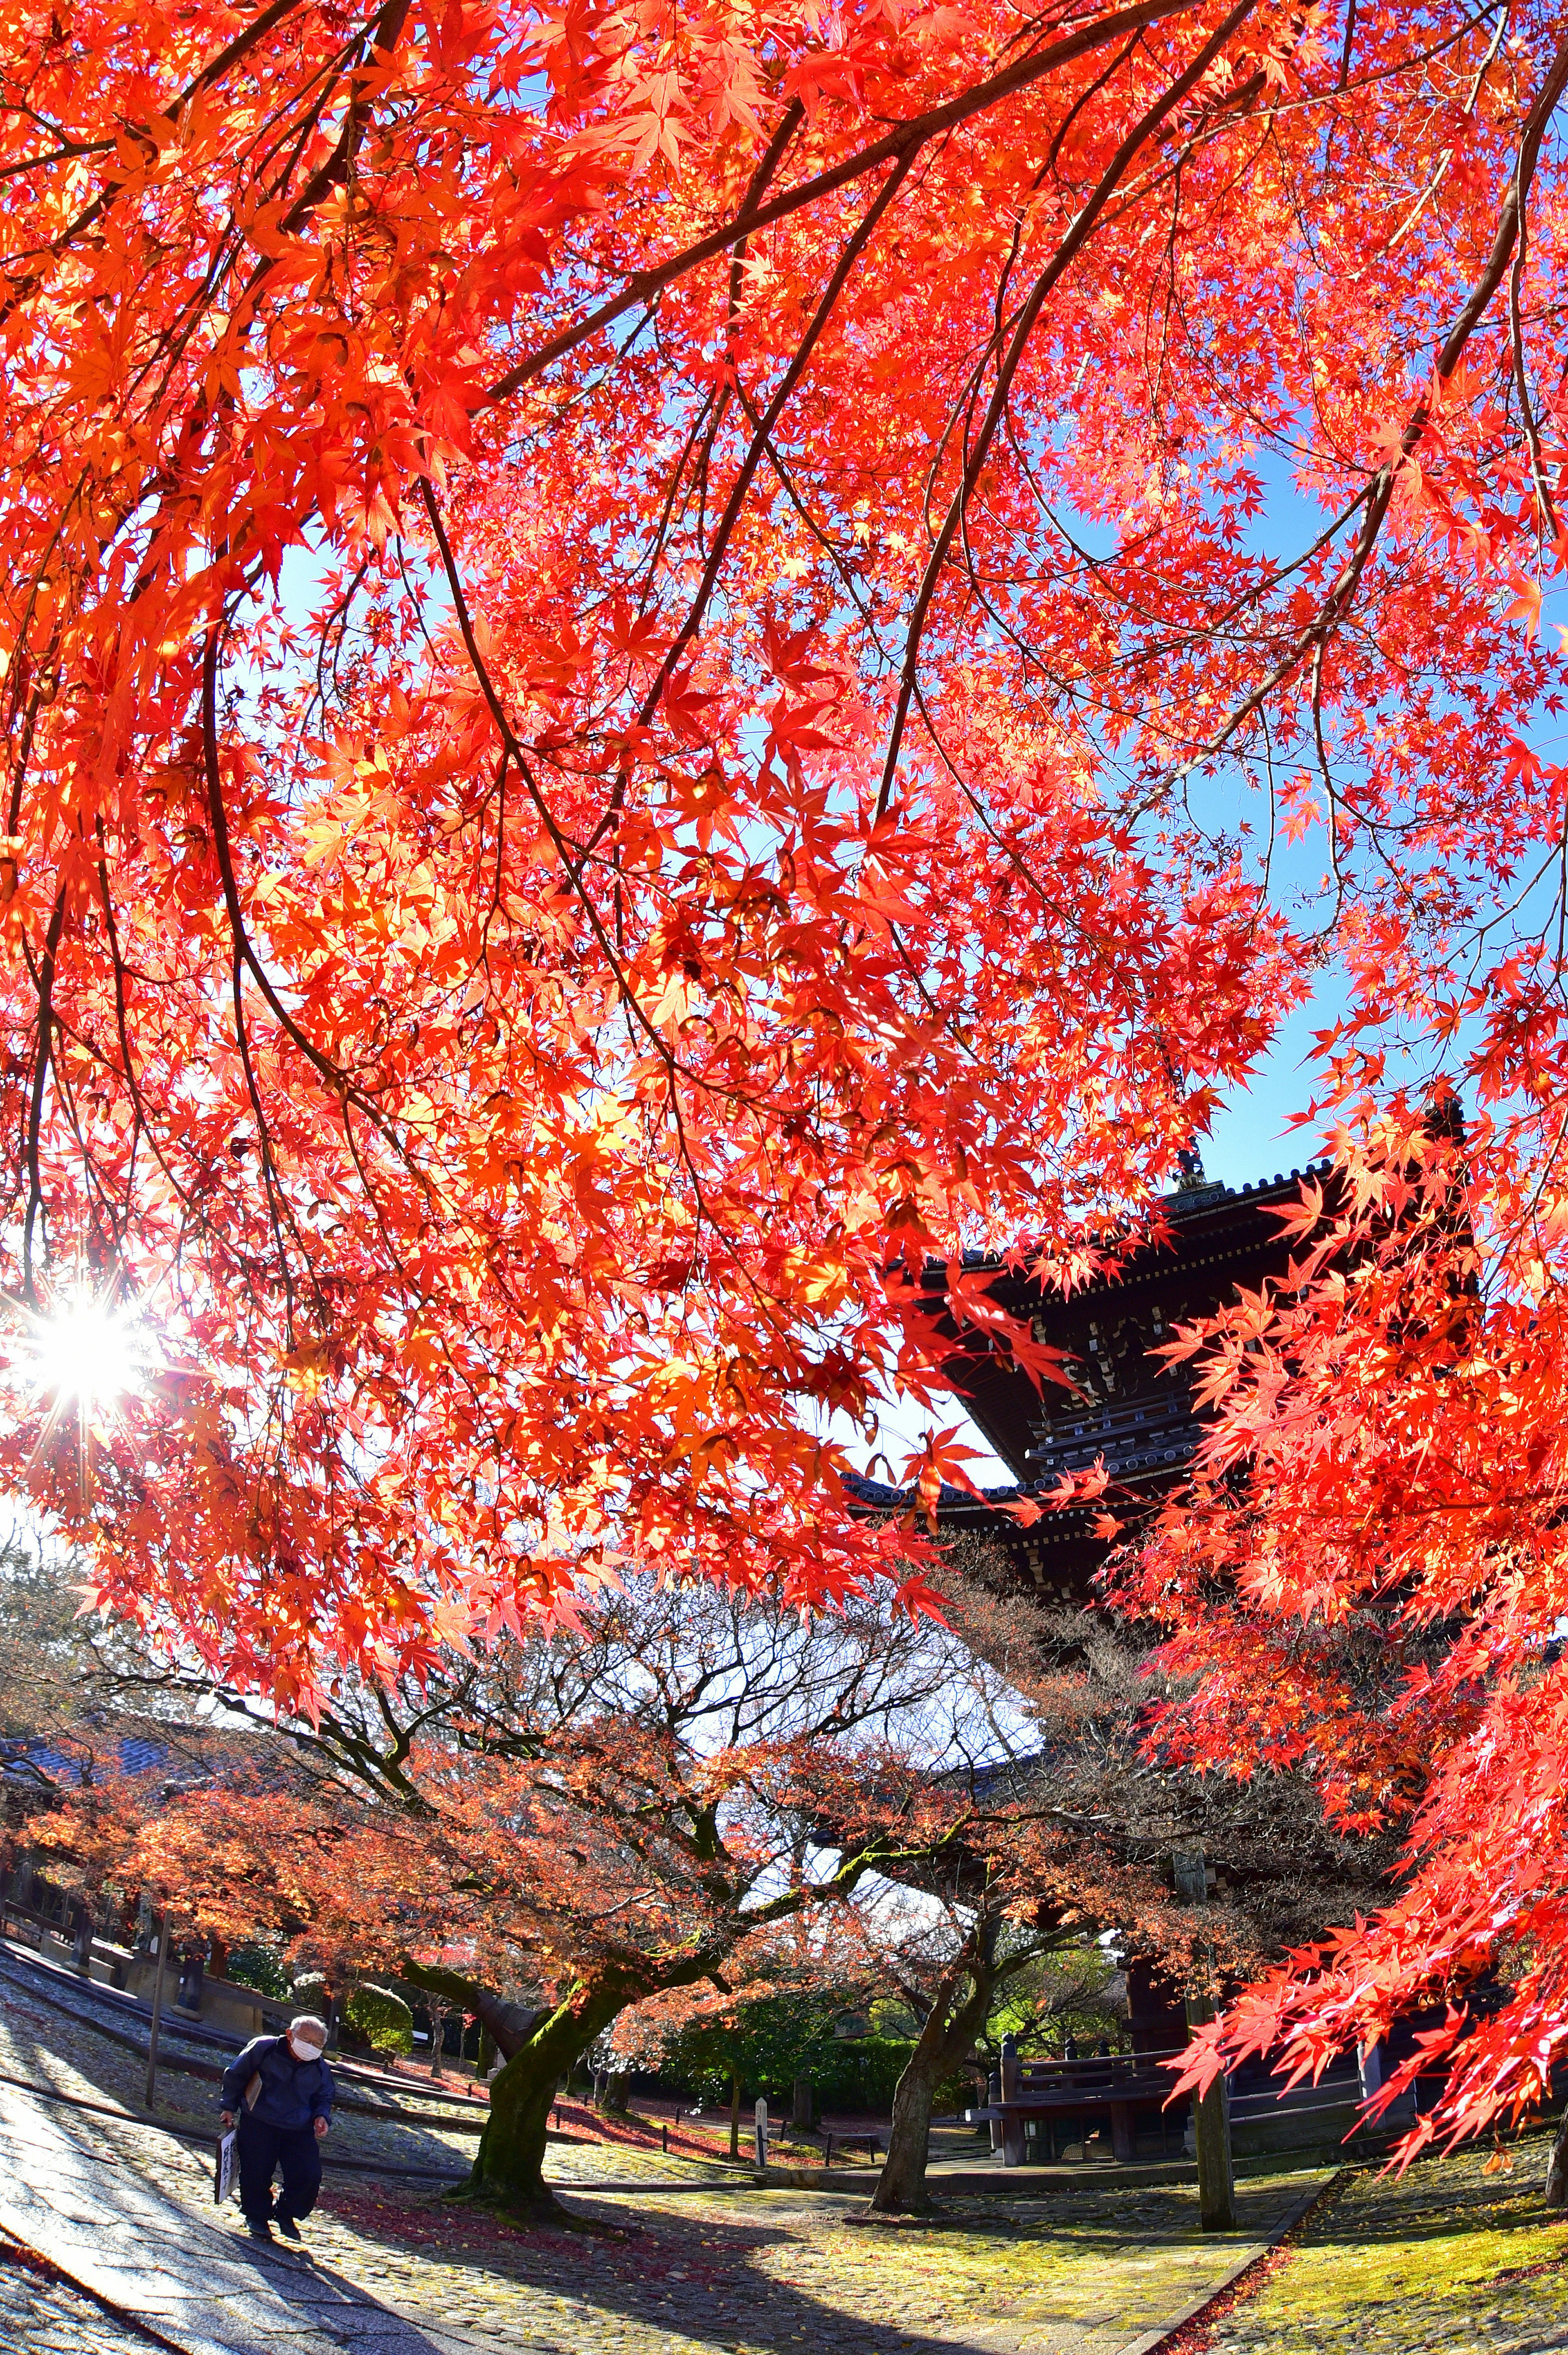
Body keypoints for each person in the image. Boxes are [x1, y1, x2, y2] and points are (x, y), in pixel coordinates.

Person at [219, 2012, 335, 2242]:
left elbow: (324, 2096)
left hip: (298, 2127)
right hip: (260, 2119)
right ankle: (256, 2216)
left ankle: (286, 2214)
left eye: (318, 2044)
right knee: (256, 2171)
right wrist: (229, 2107)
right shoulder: (264, 2048)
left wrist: (322, 2116)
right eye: (307, 2041)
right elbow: (236, 2075)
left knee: (309, 2175)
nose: (312, 2048)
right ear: (290, 2034)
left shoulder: (320, 2068)